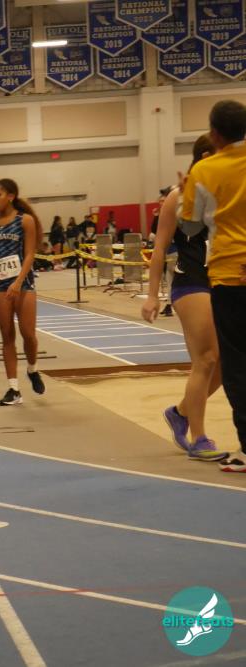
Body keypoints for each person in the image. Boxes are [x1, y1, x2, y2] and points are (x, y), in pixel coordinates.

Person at [142, 134, 227, 462]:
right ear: (206, 156)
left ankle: (179, 413)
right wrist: (152, 296)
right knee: (206, 358)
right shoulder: (178, 197)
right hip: (191, 283)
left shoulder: (228, 191)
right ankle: (199, 437)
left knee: (226, 363)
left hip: (224, 281)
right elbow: (160, 248)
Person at [180, 100, 246, 473]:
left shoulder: (204, 170)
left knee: (236, 365)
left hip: (229, 274)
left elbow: (190, 228)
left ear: (214, 134)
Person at [0, 178, 45, 406]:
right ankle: (13, 389)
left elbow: (29, 254)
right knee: (7, 336)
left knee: (28, 334)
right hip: (0, 284)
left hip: (23, 283)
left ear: (11, 196)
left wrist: (18, 282)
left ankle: (32, 369)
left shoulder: (25, 220)